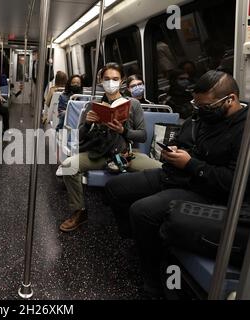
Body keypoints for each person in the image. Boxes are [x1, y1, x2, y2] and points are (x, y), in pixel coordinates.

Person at [105, 70, 247, 295]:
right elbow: (185, 141)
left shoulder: (244, 131)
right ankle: (141, 241)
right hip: (176, 174)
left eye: (206, 107)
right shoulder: (202, 117)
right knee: (116, 188)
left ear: (230, 100)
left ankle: (152, 276)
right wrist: (176, 153)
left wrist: (190, 164)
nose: (200, 111)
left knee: (142, 211)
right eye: (196, 105)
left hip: (204, 190)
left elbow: (233, 182)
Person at [58, 63, 161, 233]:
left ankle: (153, 214)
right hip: (99, 153)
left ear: (121, 82)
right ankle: (79, 211)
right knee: (69, 166)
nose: (111, 83)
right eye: (107, 79)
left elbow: (142, 135)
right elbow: (79, 136)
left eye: (115, 79)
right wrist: (88, 123)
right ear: (100, 81)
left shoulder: (133, 104)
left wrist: (123, 130)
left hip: (125, 154)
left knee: (161, 170)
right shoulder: (93, 106)